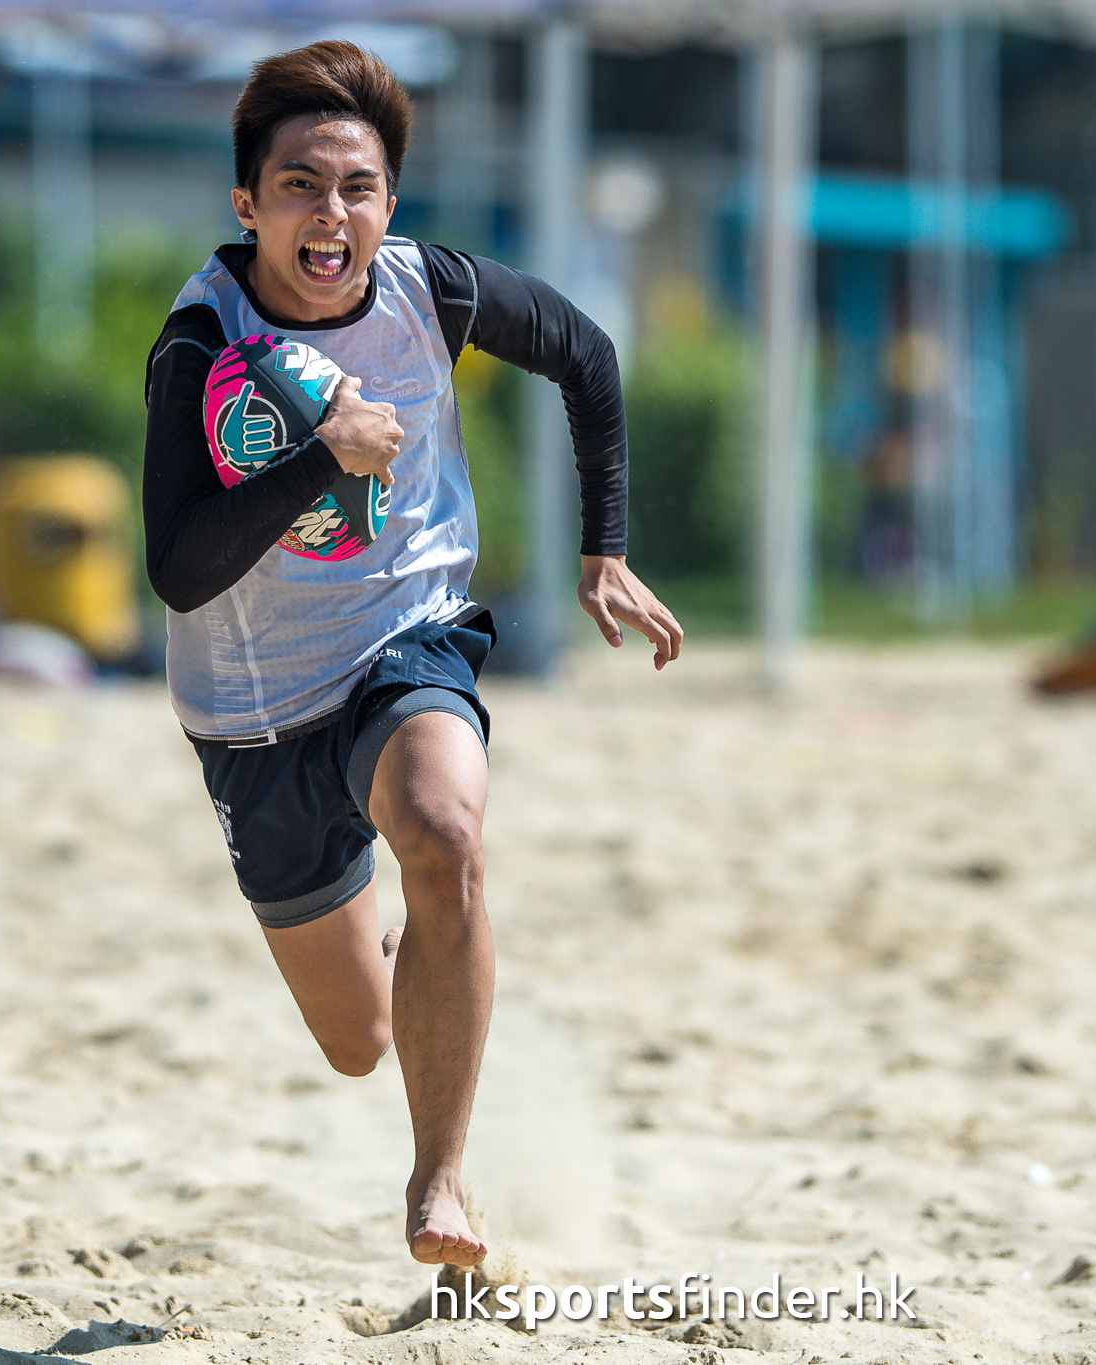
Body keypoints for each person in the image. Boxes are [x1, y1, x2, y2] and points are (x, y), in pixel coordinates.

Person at [141, 40, 683, 1268]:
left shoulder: (427, 289)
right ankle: (414, 953)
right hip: (249, 716)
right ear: (247, 205)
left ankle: (438, 1181)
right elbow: (178, 568)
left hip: (405, 646)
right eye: (298, 186)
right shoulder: (198, 341)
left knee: (444, 839)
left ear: (388, 203)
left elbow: (587, 356)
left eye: (357, 188)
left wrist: (603, 547)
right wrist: (325, 454)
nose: (329, 215)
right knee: (355, 1042)